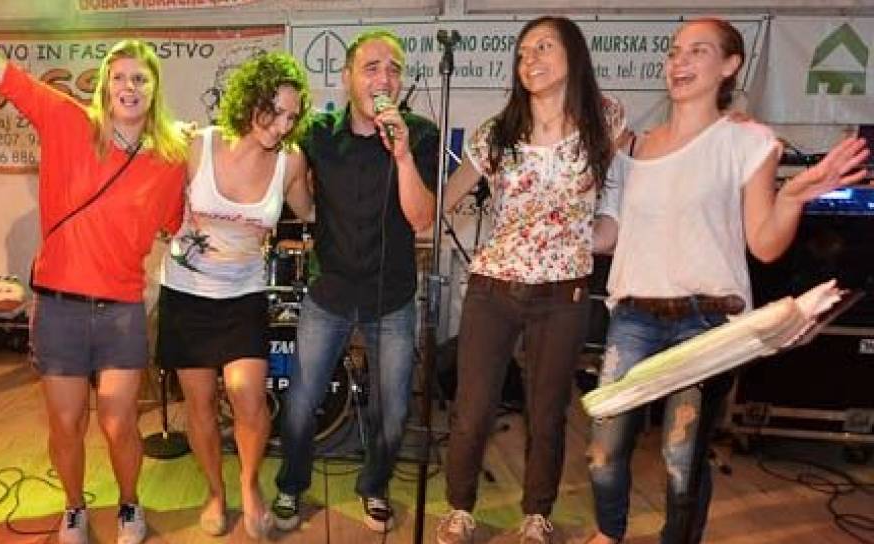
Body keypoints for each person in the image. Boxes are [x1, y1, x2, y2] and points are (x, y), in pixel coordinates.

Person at [584, 18, 868, 544]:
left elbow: (765, 244)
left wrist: (791, 198)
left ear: (730, 65)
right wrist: (554, 222)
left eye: (698, 51)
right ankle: (608, 532)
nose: (680, 62)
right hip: (633, 316)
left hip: (707, 320)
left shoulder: (747, 140)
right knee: (603, 452)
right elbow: (607, 235)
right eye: (674, 52)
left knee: (681, 458)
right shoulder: (633, 150)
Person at [0, 2, 189, 543]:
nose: (129, 87)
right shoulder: (67, 121)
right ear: (105, 86)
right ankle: (74, 508)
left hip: (121, 311)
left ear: (155, 89)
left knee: (119, 421)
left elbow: (179, 224)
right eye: (119, 77)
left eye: (140, 78)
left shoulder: (170, 159)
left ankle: (129, 504)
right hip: (59, 308)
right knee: (66, 423)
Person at [434, 16, 625, 544]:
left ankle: (537, 513)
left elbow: (618, 188)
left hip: (564, 292)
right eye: (522, 53)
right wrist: (405, 162)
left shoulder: (605, 120)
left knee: (547, 414)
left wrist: (604, 229)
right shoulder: (497, 134)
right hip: (494, 287)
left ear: (573, 55)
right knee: (473, 410)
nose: (530, 59)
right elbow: (441, 203)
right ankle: (459, 508)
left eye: (543, 47)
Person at [272, 29, 439, 534]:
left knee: (394, 408)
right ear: (347, 78)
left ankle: (375, 485)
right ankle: (290, 484)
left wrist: (402, 155)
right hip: (331, 293)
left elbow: (422, 219)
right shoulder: (319, 133)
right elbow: (295, 191)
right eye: (371, 68)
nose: (384, 78)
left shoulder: (421, 135)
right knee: (302, 399)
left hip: (392, 298)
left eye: (393, 69)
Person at [157, 51, 313, 539]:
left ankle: (248, 484)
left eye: (291, 117)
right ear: (249, 101)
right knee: (200, 404)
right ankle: (214, 491)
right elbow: (155, 200)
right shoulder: (197, 145)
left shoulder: (290, 161)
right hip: (186, 291)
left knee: (248, 395)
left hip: (244, 292)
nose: (282, 125)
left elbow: (311, 213)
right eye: (275, 111)